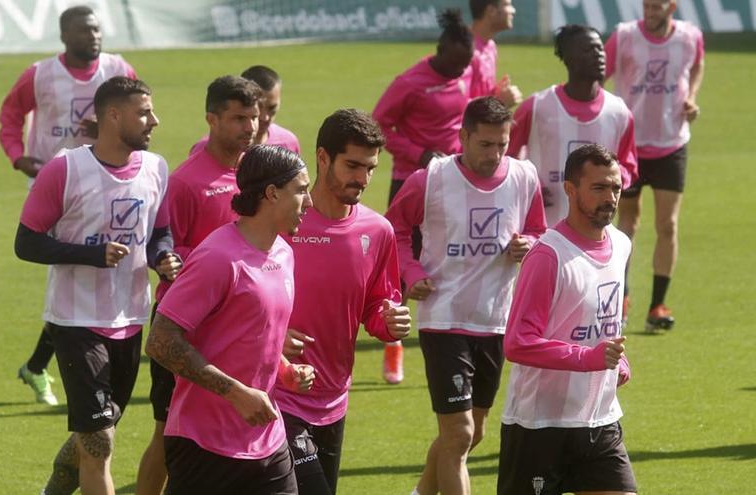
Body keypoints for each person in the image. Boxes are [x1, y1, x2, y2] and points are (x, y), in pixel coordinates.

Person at [14, 77, 175, 495]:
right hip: (75, 321)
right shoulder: (65, 169)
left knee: (96, 433)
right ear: (113, 116)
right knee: (100, 440)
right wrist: (91, 254)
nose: (154, 121)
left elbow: (160, 232)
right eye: (144, 113)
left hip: (131, 318)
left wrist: (163, 258)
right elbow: (26, 242)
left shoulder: (156, 168)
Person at [387, 96, 545, 495]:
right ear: (463, 137)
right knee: (458, 434)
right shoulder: (431, 179)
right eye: (485, 144)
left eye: (502, 145)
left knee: (472, 434)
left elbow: (539, 231)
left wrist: (528, 243)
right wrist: (412, 272)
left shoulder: (525, 178)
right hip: (444, 317)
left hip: (494, 319)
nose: (494, 154)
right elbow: (395, 231)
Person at [146, 144, 315, 494]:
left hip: (266, 438)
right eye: (301, 190)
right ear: (271, 193)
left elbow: (251, 334)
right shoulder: (217, 258)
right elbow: (161, 341)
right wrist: (236, 393)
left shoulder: (283, 253)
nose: (309, 203)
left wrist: (285, 371)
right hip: (205, 445)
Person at [0, 5, 137, 406]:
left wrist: (110, 131)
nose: (92, 36)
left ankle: (38, 365)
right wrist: (17, 154)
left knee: (83, 277)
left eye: (96, 29)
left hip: (106, 184)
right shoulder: (40, 74)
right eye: (82, 31)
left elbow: (136, 116)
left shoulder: (118, 68)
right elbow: (10, 113)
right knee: (75, 275)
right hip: (53, 187)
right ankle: (42, 365)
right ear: (64, 36)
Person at [134, 74, 262, 495]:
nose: (250, 127)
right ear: (212, 119)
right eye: (239, 118)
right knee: (168, 433)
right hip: (187, 325)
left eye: (254, 117)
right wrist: (176, 260)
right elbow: (167, 249)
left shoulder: (255, 178)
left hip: (239, 325)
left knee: (238, 424)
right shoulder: (188, 182)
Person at [276, 109, 412, 495]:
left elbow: (377, 306)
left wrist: (390, 322)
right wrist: (274, 334)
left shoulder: (377, 230)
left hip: (334, 397)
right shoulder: (284, 222)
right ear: (322, 158)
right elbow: (241, 295)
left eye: (370, 168)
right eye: (353, 165)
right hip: (279, 391)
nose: (363, 178)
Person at [498, 144, 636, 495]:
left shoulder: (621, 245)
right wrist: (588, 358)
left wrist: (618, 360)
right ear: (571, 189)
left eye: (616, 188)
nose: (611, 198)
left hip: (599, 420)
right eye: (599, 188)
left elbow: (601, 317)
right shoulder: (547, 256)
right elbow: (517, 343)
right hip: (540, 426)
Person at [372, 8, 474, 384]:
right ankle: (393, 347)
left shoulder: (466, 73)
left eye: (467, 64)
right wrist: (420, 153)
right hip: (412, 179)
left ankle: (460, 332)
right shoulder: (410, 82)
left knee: (454, 251)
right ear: (440, 51)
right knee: (400, 260)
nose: (462, 71)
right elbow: (378, 125)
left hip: (455, 178)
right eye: (457, 63)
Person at [605, 0, 705, 331]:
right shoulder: (624, 36)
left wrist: (691, 97)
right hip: (629, 145)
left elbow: (697, 66)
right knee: (627, 221)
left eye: (657, 4)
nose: (650, 10)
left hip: (671, 143)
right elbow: (595, 72)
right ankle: (623, 296)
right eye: (646, 4)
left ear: (671, 6)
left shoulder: (690, 37)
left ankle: (657, 305)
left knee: (668, 225)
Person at [507, 24, 638, 228]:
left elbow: (629, 166)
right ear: (568, 58)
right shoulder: (536, 107)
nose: (599, 55)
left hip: (597, 237)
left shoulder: (620, 112)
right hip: (543, 234)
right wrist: (528, 186)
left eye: (600, 49)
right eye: (589, 50)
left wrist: (609, 183)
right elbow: (505, 159)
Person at [189, 65, 301, 156]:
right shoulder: (203, 150)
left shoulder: (288, 142)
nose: (264, 117)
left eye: (272, 108)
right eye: (259, 108)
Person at [468, 0, 522, 107]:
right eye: (507, 5)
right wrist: (499, 102)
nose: (513, 11)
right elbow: (453, 106)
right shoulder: (463, 50)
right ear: (491, 10)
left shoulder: (490, 45)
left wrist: (495, 93)